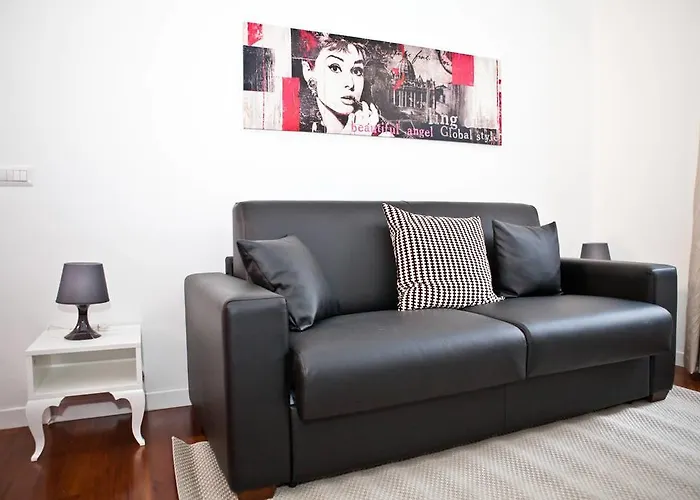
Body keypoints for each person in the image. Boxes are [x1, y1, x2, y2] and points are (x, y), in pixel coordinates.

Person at [297, 32, 395, 136]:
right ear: (308, 71)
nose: (350, 83)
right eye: (335, 68)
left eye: (357, 71)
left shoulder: (384, 135)